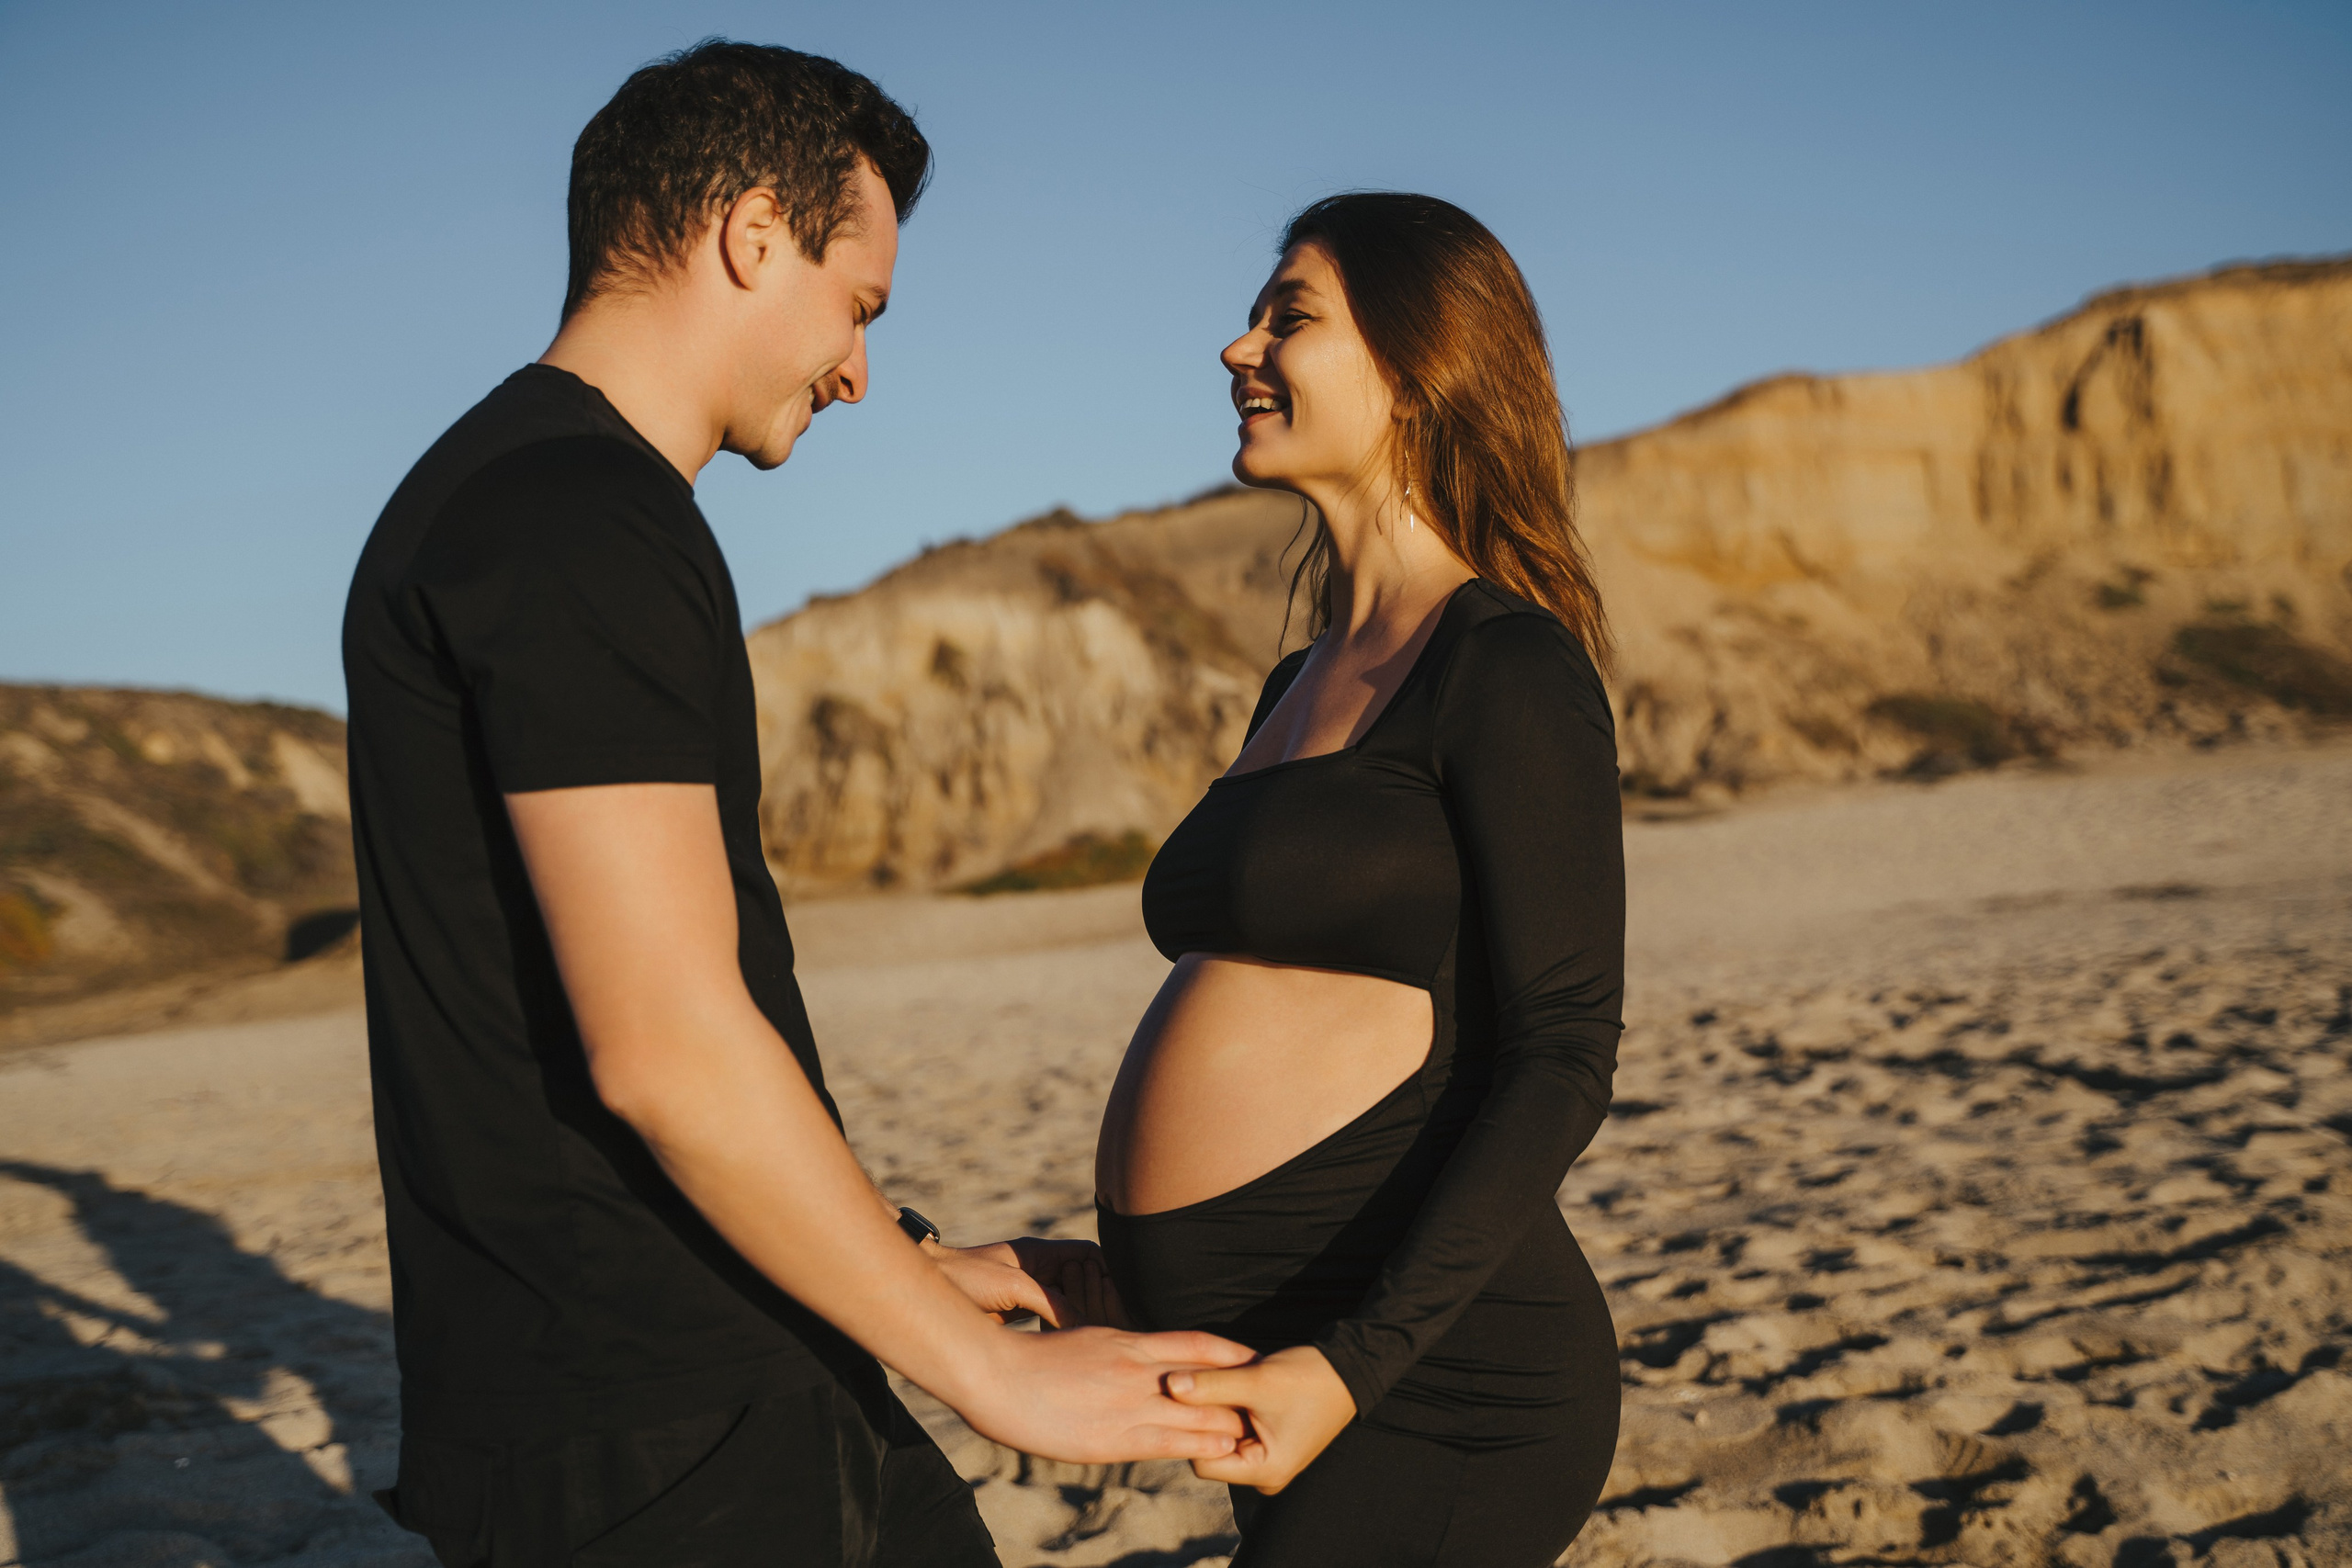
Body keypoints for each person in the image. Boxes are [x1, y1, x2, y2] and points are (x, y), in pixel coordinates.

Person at [343, 40, 1250, 1568]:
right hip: (658, 1424)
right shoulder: (581, 520)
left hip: (701, 1362)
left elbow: (575, 997)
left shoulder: (504, 494)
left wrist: (909, 1261)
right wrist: (995, 1378)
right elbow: (668, 1049)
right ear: (754, 234)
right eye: (860, 306)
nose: (857, 372)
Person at [1092, 192, 1626, 1567]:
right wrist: (1083, 1271)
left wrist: (1351, 1366)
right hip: (1281, 1353)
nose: (1239, 348)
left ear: (1417, 367)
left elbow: (1563, 1051)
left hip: (1437, 1388)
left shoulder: (1504, 663)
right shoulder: (1299, 680)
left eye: (1289, 317)